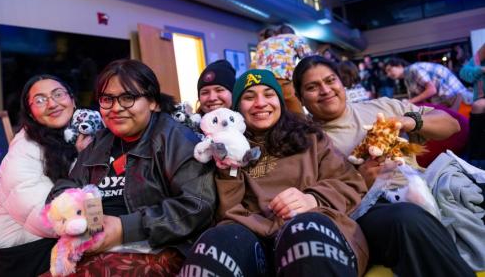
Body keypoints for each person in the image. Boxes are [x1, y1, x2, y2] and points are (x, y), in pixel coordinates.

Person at [292, 55, 474, 277]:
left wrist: (410, 122)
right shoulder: (307, 141)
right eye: (312, 87)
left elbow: (452, 125)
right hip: (368, 210)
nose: (325, 90)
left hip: (421, 187)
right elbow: (318, 198)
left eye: (330, 80)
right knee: (408, 219)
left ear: (342, 82)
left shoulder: (382, 106)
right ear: (300, 98)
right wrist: (361, 180)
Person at [180, 69, 368, 276]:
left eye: (269, 94)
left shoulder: (311, 138)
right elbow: (228, 211)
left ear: (280, 100)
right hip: (252, 238)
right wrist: (228, 168)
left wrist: (313, 198)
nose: (260, 103)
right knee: (213, 244)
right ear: (236, 109)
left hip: (312, 228)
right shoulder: (226, 147)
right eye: (249, 97)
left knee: (304, 231)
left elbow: (352, 183)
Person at [49, 59, 217, 275]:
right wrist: (71, 210)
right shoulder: (100, 141)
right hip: (94, 243)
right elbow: (68, 185)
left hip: (157, 247)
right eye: (107, 99)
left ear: (153, 102)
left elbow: (197, 204)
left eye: (128, 98)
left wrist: (124, 228)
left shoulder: (175, 138)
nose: (116, 108)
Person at [0, 74, 93, 276]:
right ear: (30, 113)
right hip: (16, 255)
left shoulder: (77, 134)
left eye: (58, 94)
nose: (52, 103)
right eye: (40, 100)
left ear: (72, 99)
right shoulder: (23, 150)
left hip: (50, 236)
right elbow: (49, 219)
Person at [252, 24, 316, 113]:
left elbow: (253, 66)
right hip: (283, 82)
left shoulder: (262, 43)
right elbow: (310, 60)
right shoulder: (293, 38)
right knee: (298, 119)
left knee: (274, 117)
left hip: (261, 84)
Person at [384, 57, 472, 110]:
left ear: (399, 65)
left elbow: (431, 90)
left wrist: (409, 101)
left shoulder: (413, 69)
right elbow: (415, 100)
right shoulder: (407, 79)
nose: (388, 74)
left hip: (458, 100)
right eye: (386, 73)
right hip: (449, 101)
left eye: (389, 70)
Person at [460, 43, 485, 166]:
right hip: (479, 100)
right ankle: (476, 158)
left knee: (479, 106)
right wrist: (481, 69)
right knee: (478, 106)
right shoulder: (478, 60)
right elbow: (464, 73)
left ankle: (476, 158)